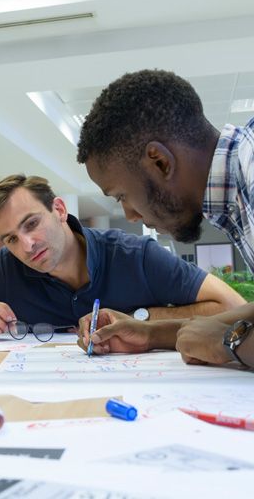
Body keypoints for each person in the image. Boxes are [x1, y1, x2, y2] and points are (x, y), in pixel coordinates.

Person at [77, 68, 254, 367]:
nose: (130, 215)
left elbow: (223, 340)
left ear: (160, 162)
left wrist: (227, 343)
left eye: (121, 196)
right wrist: (151, 333)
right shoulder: (235, 192)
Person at [0, 174, 243, 341]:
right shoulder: (7, 266)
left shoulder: (135, 255)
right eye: (11, 238)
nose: (26, 246)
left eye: (31, 224)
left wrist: (142, 319)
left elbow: (232, 306)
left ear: (58, 210)